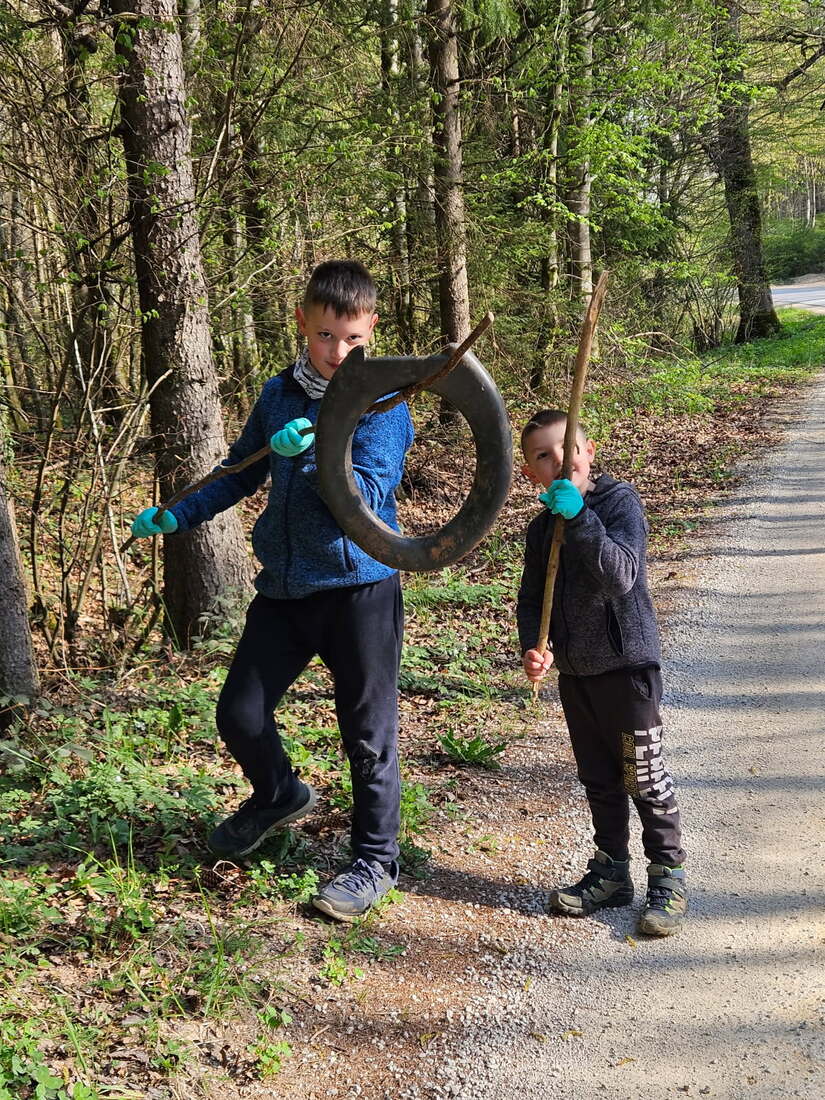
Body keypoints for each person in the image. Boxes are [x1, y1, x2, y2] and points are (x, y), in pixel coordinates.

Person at [130, 260, 413, 922]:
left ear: (371, 329)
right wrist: (180, 515)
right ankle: (280, 793)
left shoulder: (383, 404)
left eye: (351, 338)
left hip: (359, 590)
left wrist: (311, 458)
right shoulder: (279, 394)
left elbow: (370, 496)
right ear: (302, 324)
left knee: (367, 735)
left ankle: (376, 860)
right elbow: (241, 469)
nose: (337, 352)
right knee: (240, 714)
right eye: (324, 336)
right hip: (285, 589)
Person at [516, 409, 687, 936]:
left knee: (643, 775)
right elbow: (532, 599)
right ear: (530, 473)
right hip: (576, 674)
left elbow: (621, 575)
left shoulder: (618, 503)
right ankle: (612, 872)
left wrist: (580, 518)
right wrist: (535, 647)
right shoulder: (540, 529)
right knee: (599, 778)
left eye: (568, 448)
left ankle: (668, 876)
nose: (559, 460)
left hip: (627, 668)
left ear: (588, 452)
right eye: (543, 456)